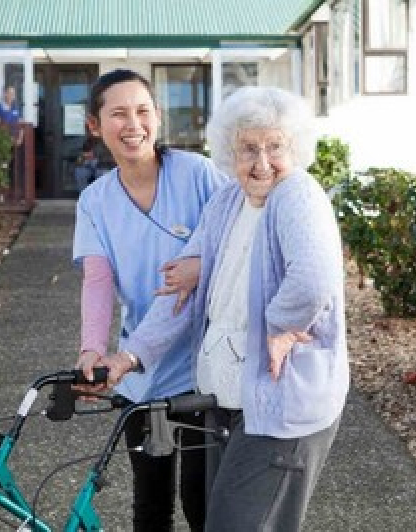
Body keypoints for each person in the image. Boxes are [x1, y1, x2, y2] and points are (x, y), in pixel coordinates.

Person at [99, 86, 350, 531]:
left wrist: (285, 327)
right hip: (229, 399)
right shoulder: (226, 202)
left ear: (295, 147)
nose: (261, 162)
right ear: (229, 152)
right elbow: (180, 293)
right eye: (248, 148)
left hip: (280, 403)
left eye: (275, 146)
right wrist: (133, 355)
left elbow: (315, 277)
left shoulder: (296, 195)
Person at [72, 68, 228, 532]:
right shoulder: (95, 201)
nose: (133, 124)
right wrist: (91, 350)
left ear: (158, 118)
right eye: (118, 113)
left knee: (202, 503)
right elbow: (97, 280)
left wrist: (203, 265)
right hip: (138, 366)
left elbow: (242, 235)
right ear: (95, 126)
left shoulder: (197, 174)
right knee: (150, 506)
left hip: (205, 365)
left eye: (142, 111)